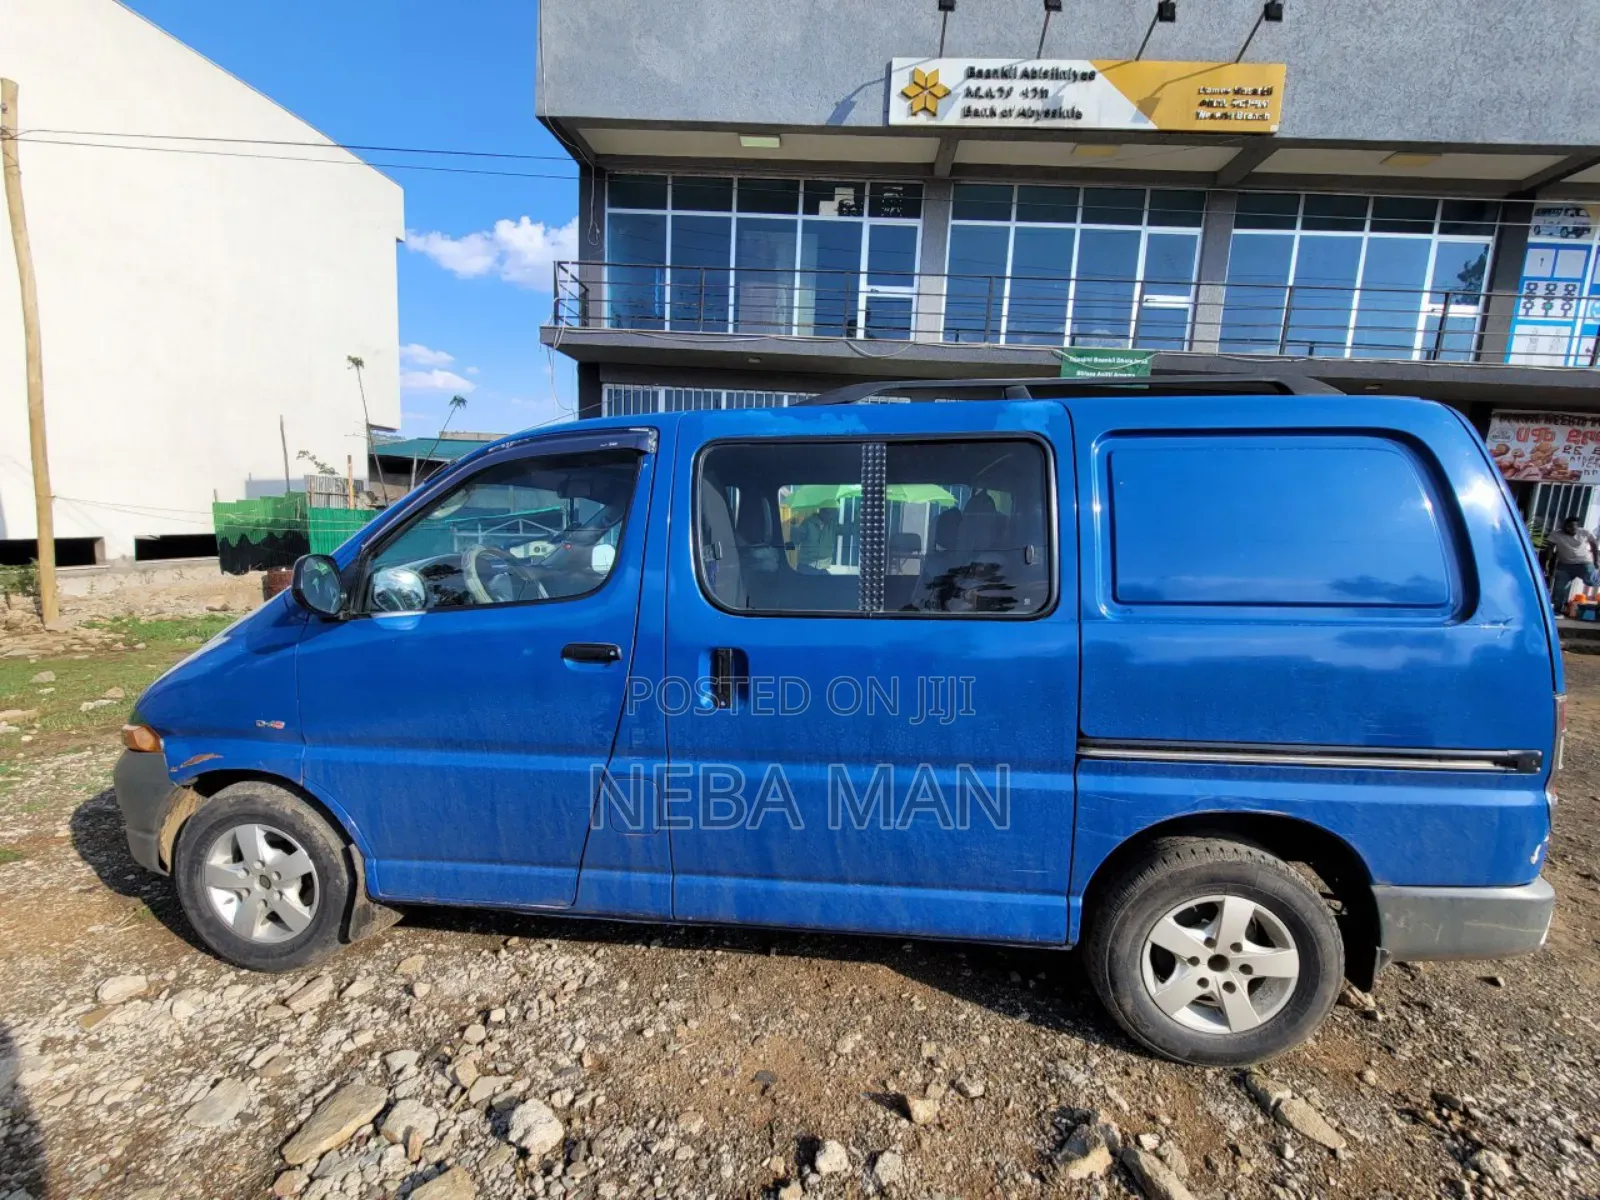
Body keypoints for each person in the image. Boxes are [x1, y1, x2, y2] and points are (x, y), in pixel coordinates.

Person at [1548, 516, 1600, 608]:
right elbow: (1550, 550)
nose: (1571, 530)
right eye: (1568, 527)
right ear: (1564, 527)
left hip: (1583, 563)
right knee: (1559, 588)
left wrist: (1596, 560)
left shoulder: (1584, 532)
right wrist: (1548, 563)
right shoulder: (1555, 534)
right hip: (1565, 565)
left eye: (1573, 528)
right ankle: (1558, 609)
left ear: (1577, 527)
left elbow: (1594, 545)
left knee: (1591, 581)